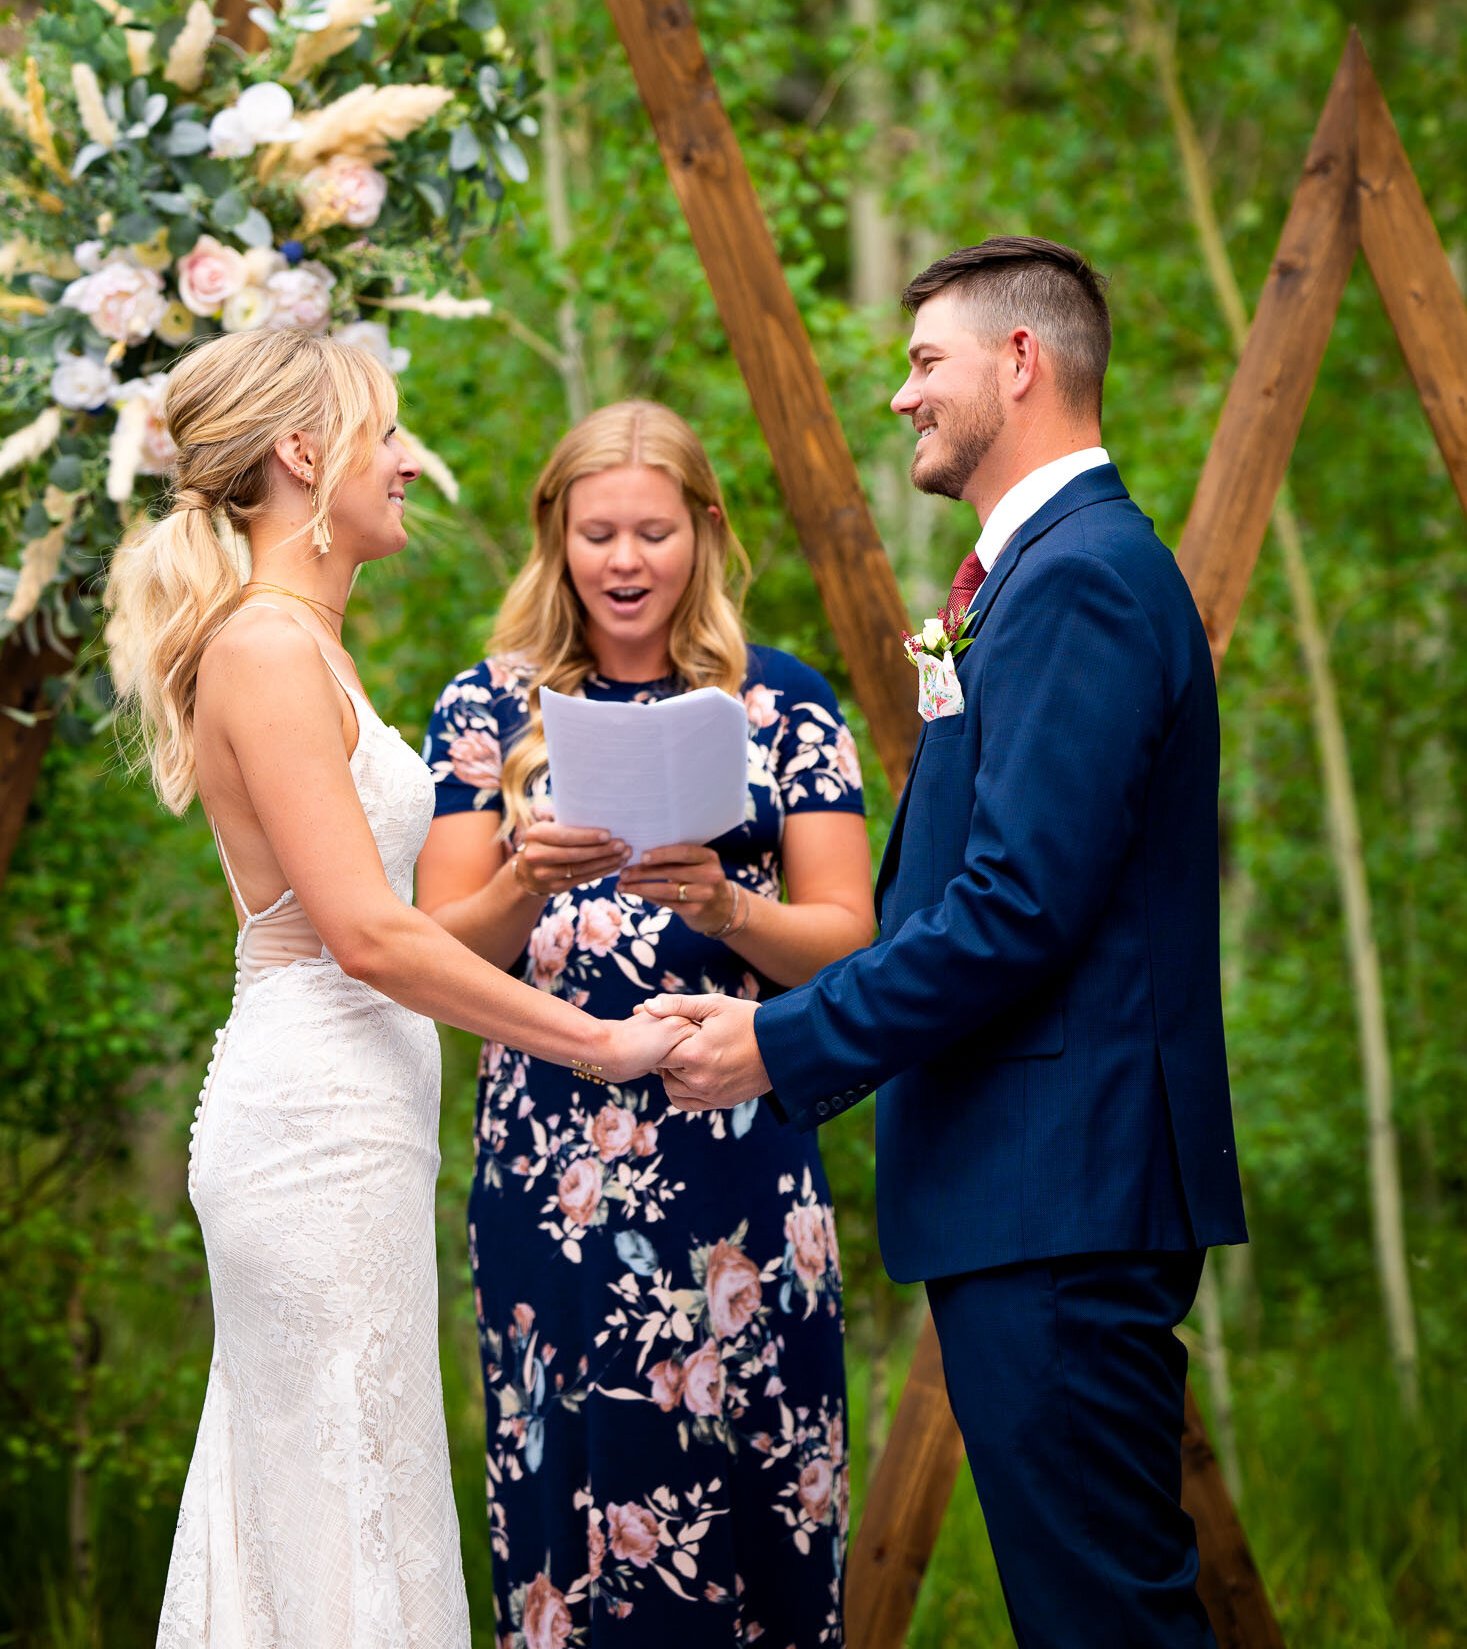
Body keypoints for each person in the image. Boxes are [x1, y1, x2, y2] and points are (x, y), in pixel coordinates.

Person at [644, 239, 1249, 1649]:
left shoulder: (1081, 579)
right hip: (1037, 1184)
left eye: (926, 363)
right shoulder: (1039, 572)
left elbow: (1015, 909)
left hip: (1060, 1181)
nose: (901, 397)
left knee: (1103, 1620)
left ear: (1018, 364)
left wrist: (775, 1042)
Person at [106, 329, 680, 1649]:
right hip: (309, 1127)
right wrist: (596, 1044)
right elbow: (364, 941)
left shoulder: (308, 643)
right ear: (304, 456)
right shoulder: (263, 647)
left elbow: (407, 927)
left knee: (346, 1481)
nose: (411, 462)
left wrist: (531, 878)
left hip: (354, 1121)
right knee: (336, 1491)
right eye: (388, 434)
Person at [417, 400, 873, 1649]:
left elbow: (848, 940)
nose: (626, 561)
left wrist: (730, 904)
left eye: (655, 532)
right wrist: (524, 879)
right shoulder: (484, 708)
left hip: (742, 1166)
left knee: (761, 1500)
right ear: (556, 538)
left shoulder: (783, 701)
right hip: (551, 1177)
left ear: (706, 535)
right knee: (572, 1506)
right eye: (599, 532)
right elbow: (430, 952)